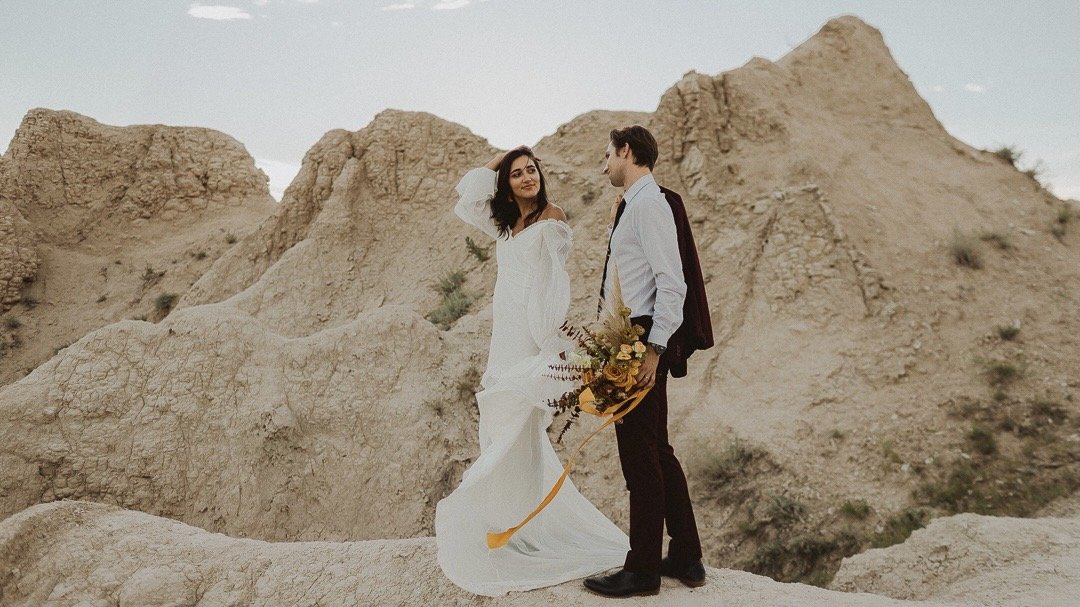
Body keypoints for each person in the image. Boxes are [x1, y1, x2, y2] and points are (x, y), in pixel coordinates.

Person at [435, 146, 629, 597]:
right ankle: (513, 525)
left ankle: (510, 523)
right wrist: (501, 158)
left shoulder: (551, 219)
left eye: (531, 170)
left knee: (513, 422)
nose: (527, 178)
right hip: (503, 337)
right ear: (507, 184)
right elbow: (466, 199)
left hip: (529, 336)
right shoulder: (505, 224)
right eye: (518, 174)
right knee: (506, 429)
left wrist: (551, 345)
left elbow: (550, 286)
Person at [583, 126, 712, 598]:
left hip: (640, 337)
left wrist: (652, 349)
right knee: (656, 448)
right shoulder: (635, 205)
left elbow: (671, 283)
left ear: (627, 151)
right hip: (632, 332)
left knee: (639, 456)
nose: (603, 166)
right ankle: (685, 555)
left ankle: (641, 570)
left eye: (608, 155)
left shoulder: (650, 205)